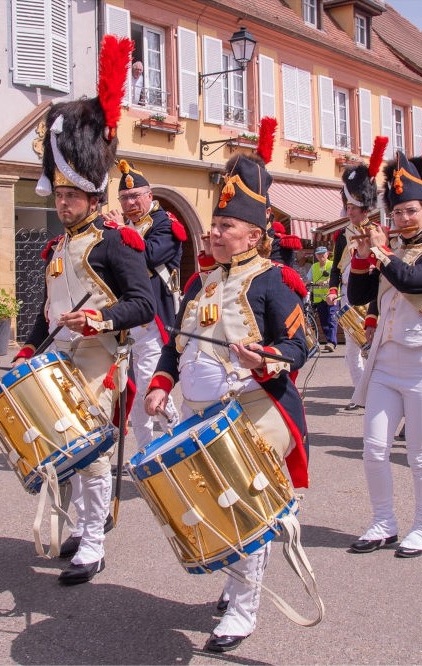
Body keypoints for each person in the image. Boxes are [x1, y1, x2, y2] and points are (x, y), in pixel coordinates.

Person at [145, 122, 312, 654]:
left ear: (255, 236)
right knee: (215, 505)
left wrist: (266, 359)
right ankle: (238, 581)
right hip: (199, 409)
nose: (214, 233)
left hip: (255, 407)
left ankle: (243, 610)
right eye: (214, 223)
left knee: (241, 506)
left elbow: (300, 345)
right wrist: (159, 384)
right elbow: (175, 345)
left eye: (226, 226)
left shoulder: (274, 280)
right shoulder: (198, 282)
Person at [15, 36, 154, 585]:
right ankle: (81, 525)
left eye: (73, 197)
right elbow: (46, 310)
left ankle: (94, 541)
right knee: (62, 450)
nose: (63, 204)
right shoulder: (55, 248)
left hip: (99, 360)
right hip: (58, 361)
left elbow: (143, 303)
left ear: (94, 198)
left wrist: (99, 320)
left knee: (94, 455)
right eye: (59, 196)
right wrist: (28, 345)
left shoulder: (118, 244)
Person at [346, 150, 422, 558]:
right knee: (375, 446)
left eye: (411, 211)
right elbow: (358, 295)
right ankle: (383, 521)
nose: (403, 219)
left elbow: (415, 282)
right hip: (385, 362)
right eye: (397, 213)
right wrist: (364, 255)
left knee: (421, 452)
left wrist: (381, 253)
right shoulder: (389, 250)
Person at [102, 159, 183, 452]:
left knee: (149, 385)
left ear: (150, 196)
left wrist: (122, 232)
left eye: (135, 196)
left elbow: (148, 256)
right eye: (124, 198)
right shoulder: (128, 226)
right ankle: (154, 444)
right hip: (127, 316)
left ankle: (162, 445)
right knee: (133, 387)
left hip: (154, 316)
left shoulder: (167, 224)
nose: (130, 202)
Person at [328, 135, 388, 406]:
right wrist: (332, 289)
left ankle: (372, 391)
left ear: (364, 207)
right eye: (347, 206)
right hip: (346, 295)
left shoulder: (377, 232)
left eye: (352, 207)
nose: (348, 211)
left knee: (372, 348)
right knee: (351, 350)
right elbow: (335, 267)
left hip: (370, 296)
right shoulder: (342, 235)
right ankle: (361, 392)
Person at [309, 246, 337, 352]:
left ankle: (332, 342)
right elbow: (308, 279)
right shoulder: (314, 266)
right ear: (316, 256)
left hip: (331, 297)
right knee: (324, 321)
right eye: (319, 254)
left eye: (323, 253)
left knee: (332, 319)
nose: (321, 256)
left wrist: (328, 281)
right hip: (319, 299)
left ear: (327, 254)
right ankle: (328, 340)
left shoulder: (332, 264)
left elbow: (335, 276)